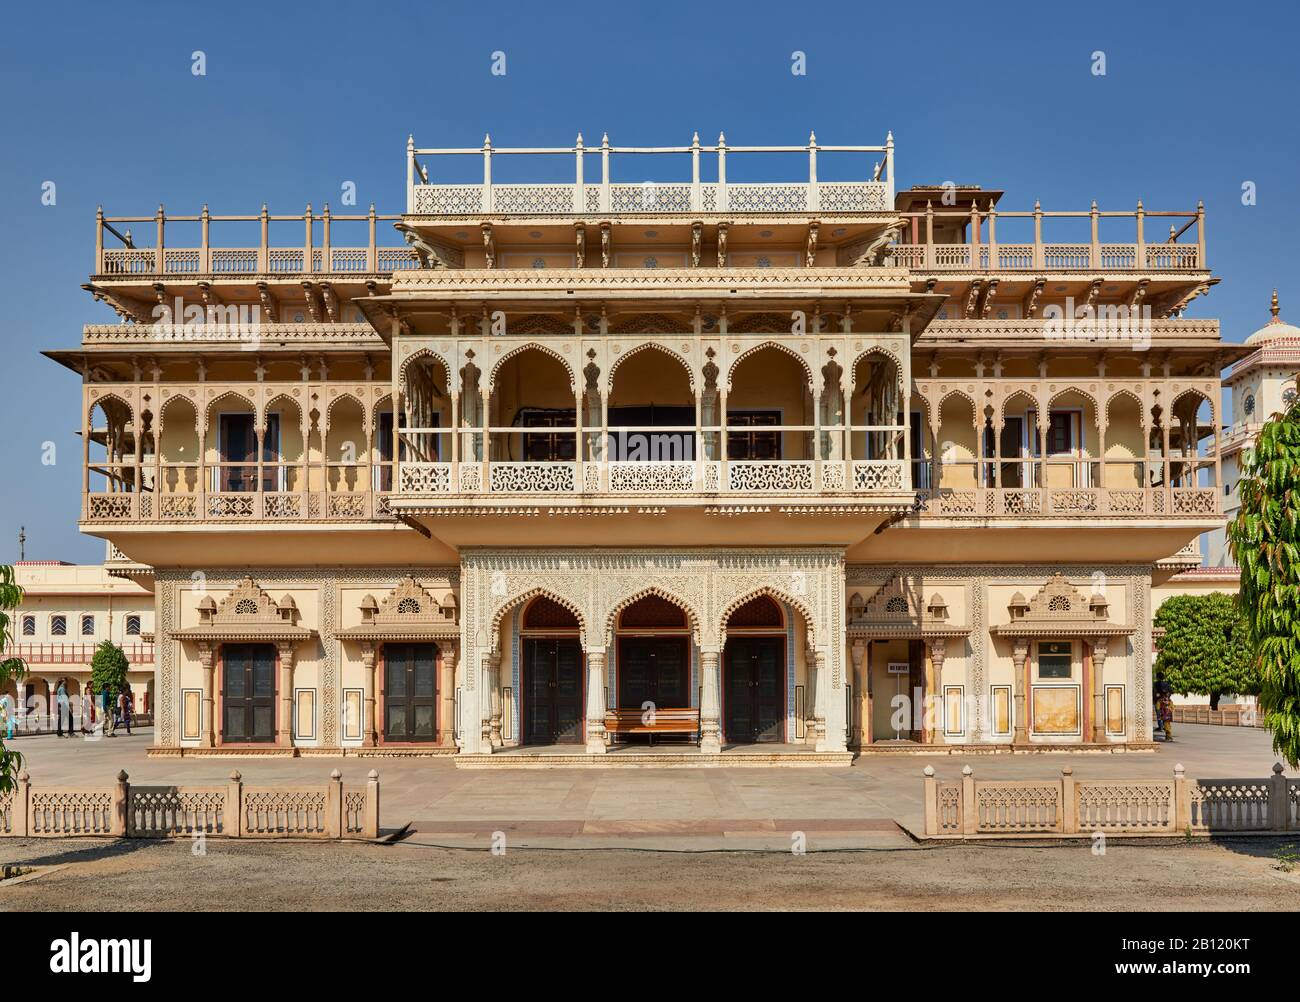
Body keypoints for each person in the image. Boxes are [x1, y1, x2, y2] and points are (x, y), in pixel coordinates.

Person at [1153, 671, 1174, 742]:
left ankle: (1168, 735)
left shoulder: (1156, 684)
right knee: (1167, 720)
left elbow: (1155, 694)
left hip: (1161, 703)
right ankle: (1168, 734)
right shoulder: (1167, 683)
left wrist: (1156, 700)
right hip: (1168, 703)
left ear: (1157, 677)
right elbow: (1171, 691)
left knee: (1162, 719)